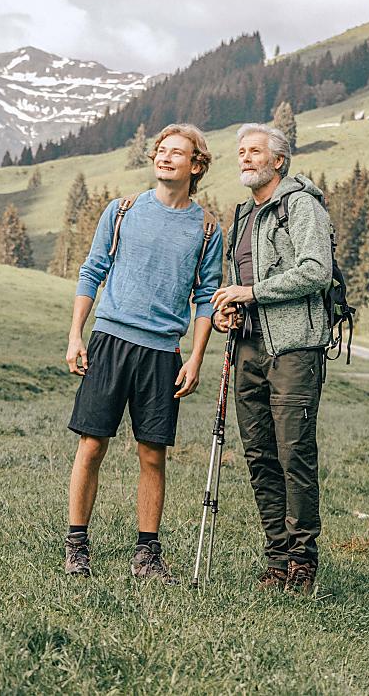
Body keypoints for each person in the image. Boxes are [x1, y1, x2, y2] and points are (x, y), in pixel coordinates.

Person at [64, 123, 223, 581]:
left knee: (153, 455)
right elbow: (91, 271)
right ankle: (77, 545)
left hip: (162, 354)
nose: (165, 157)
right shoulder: (122, 211)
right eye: (161, 150)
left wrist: (195, 357)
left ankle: (147, 555)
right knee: (92, 445)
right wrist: (77, 335)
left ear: (196, 165)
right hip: (110, 341)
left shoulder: (207, 228)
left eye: (177, 152)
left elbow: (206, 296)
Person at [211, 123, 333, 595]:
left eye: (255, 151)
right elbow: (236, 283)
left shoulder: (301, 206)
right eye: (240, 151)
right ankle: (277, 558)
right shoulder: (243, 214)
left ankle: (303, 561)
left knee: (293, 453)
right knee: (260, 454)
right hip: (247, 348)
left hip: (293, 349)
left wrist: (253, 292)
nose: (244, 158)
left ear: (278, 160)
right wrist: (228, 311)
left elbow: (316, 271)